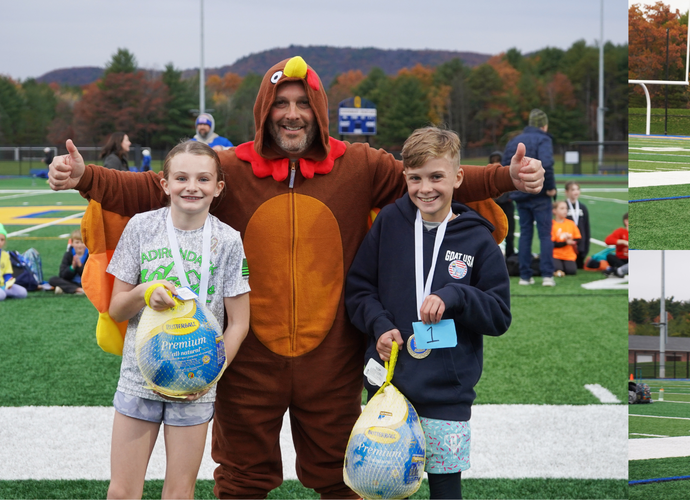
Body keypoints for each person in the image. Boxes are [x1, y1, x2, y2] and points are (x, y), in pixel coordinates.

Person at [47, 55, 542, 498]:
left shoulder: (360, 166)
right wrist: (85, 177)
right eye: (281, 102)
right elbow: (146, 190)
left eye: (302, 103)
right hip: (249, 358)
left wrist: (506, 179)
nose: (291, 112)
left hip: (331, 356)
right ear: (264, 110)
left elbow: (435, 175)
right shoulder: (227, 169)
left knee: (338, 475)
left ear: (319, 110)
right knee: (241, 477)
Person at [345, 127, 510, 500]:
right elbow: (358, 290)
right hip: (387, 387)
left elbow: (499, 316)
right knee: (380, 486)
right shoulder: (388, 222)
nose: (426, 188)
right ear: (404, 177)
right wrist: (381, 326)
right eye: (415, 178)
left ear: (457, 177)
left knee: (445, 489)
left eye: (437, 177)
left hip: (446, 392)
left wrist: (457, 295)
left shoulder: (477, 239)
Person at [104, 141, 251, 499]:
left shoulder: (229, 240)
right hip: (140, 379)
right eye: (181, 177)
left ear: (218, 188)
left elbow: (239, 323)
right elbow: (116, 308)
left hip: (196, 385)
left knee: (179, 492)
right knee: (123, 491)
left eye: (203, 179)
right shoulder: (141, 228)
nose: (192, 186)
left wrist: (211, 374)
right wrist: (144, 292)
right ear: (164, 183)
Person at [504, 108, 556, 286]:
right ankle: (547, 275)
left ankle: (525, 276)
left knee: (525, 234)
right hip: (539, 194)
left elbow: (505, 166)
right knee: (544, 235)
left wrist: (512, 190)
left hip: (520, 193)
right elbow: (546, 165)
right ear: (544, 125)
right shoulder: (544, 139)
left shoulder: (514, 140)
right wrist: (550, 187)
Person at [490, 150, 516, 258]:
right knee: (492, 233)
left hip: (507, 205)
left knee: (510, 233)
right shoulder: (488, 176)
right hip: (494, 206)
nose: (496, 163)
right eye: (493, 161)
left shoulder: (508, 174)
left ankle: (510, 257)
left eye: (499, 161)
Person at [48, 229, 88, 295]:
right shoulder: (68, 254)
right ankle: (78, 290)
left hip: (85, 283)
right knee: (52, 279)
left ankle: (66, 289)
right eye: (77, 242)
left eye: (82, 242)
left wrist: (80, 266)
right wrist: (72, 267)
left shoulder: (89, 255)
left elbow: (90, 276)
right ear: (72, 243)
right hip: (71, 282)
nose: (80, 245)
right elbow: (62, 275)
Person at [551, 199, 581, 277]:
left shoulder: (570, 223)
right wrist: (565, 242)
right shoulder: (552, 224)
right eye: (562, 208)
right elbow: (552, 243)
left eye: (566, 208)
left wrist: (573, 242)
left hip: (568, 254)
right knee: (558, 268)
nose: (565, 211)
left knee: (571, 271)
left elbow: (578, 238)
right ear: (554, 211)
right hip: (555, 254)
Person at [564, 181, 590, 270]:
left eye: (577, 189)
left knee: (579, 266)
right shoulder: (563, 206)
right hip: (566, 244)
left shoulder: (582, 207)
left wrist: (586, 246)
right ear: (566, 192)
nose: (576, 192)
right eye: (572, 189)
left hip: (580, 243)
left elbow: (587, 227)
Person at [0, 223, 29, 301]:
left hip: (2, 286)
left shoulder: (5, 255)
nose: (0, 242)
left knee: (23, 293)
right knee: (1, 295)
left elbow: (7, 274)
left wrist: (9, 281)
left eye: (2, 240)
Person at [604, 212, 628, 278]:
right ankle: (621, 270)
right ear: (626, 221)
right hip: (621, 259)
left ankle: (616, 270)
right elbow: (608, 240)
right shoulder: (621, 231)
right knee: (610, 256)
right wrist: (623, 242)